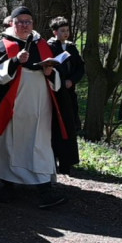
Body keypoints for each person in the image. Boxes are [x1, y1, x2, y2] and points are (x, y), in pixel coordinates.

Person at [0, 7, 68, 209]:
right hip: (12, 105)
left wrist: (50, 72)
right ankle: (6, 184)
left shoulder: (42, 44)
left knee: (39, 144)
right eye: (21, 21)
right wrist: (15, 61)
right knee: (10, 145)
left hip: (40, 105)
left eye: (29, 21)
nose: (25, 25)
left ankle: (44, 189)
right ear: (12, 23)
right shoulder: (3, 44)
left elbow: (56, 80)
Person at [48, 16, 85, 174]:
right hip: (55, 93)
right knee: (54, 127)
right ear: (55, 32)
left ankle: (66, 162)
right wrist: (60, 81)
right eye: (62, 31)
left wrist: (72, 80)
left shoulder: (71, 47)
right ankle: (51, 161)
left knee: (69, 126)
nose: (66, 33)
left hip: (69, 93)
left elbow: (80, 68)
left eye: (67, 30)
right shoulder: (50, 46)